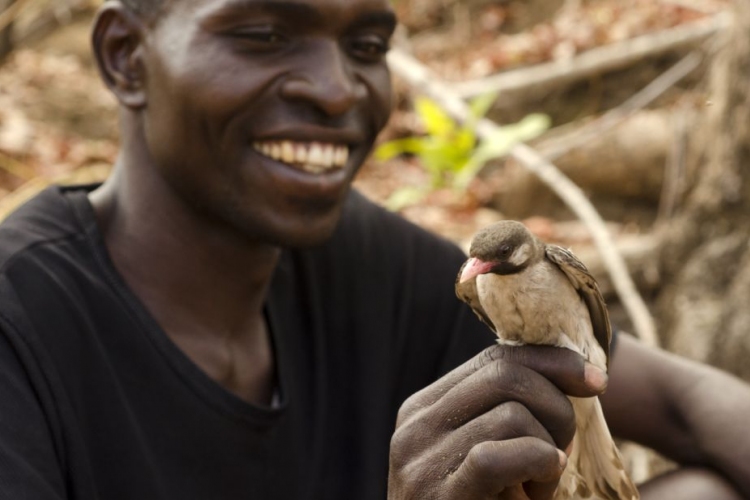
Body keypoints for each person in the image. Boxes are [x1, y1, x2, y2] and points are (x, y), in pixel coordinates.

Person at [0, 0, 748, 498]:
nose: (336, 89)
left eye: (367, 44)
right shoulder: (21, 328)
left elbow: (687, 403)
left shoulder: (360, 259)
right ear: (127, 56)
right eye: (263, 34)